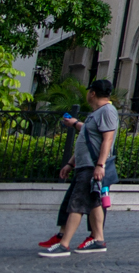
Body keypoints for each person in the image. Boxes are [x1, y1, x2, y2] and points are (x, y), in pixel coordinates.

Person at [40, 79, 117, 257]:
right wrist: (70, 163)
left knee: (77, 203)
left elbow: (108, 139)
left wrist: (100, 165)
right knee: (94, 203)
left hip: (92, 166)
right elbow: (88, 138)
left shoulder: (107, 111)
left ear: (92, 93)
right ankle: (98, 240)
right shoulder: (97, 113)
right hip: (86, 165)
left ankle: (64, 244)